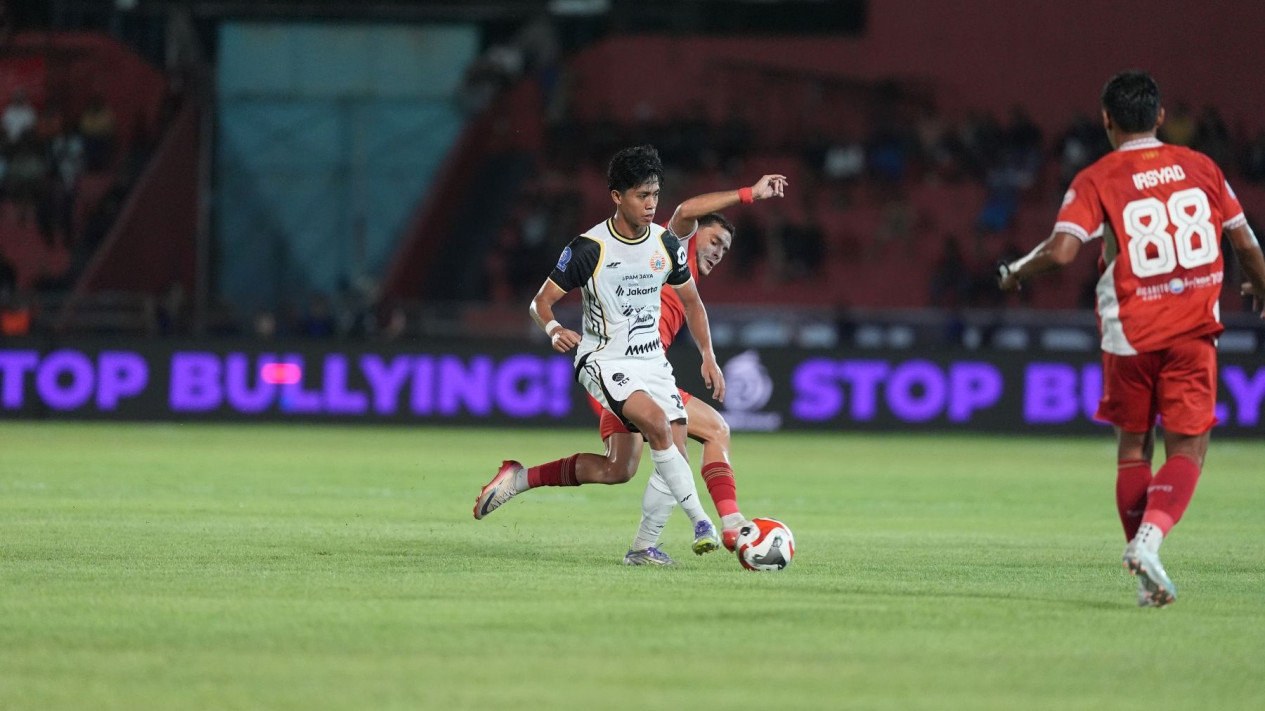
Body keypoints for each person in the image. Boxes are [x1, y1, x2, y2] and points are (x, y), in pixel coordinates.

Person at [998, 71, 1265, 607]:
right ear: (1160, 117)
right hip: (1192, 327)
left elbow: (1063, 251)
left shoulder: (1099, 177)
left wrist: (1016, 271)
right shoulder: (1202, 167)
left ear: (1106, 121)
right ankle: (1150, 542)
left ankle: (1144, 569)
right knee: (1188, 448)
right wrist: (1260, 285)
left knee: (1133, 447)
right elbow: (1246, 243)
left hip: (1130, 333)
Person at [474, 145, 728, 556]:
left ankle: (636, 546)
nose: (651, 205)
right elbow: (541, 302)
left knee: (622, 469)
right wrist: (554, 328)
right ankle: (703, 521)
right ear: (616, 196)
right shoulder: (589, 248)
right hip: (605, 360)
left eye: (655, 195)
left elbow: (693, 302)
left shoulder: (665, 244)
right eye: (641, 196)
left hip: (652, 362)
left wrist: (708, 355)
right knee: (659, 426)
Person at [592, 174, 788, 565]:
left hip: (629, 369)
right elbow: (684, 211)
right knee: (703, 435)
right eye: (714, 241)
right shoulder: (670, 248)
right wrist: (749, 193)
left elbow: (696, 311)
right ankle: (721, 526)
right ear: (695, 236)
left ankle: (521, 478)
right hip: (625, 369)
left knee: (618, 468)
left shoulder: (687, 280)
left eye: (725, 249)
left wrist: (708, 356)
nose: (719, 252)